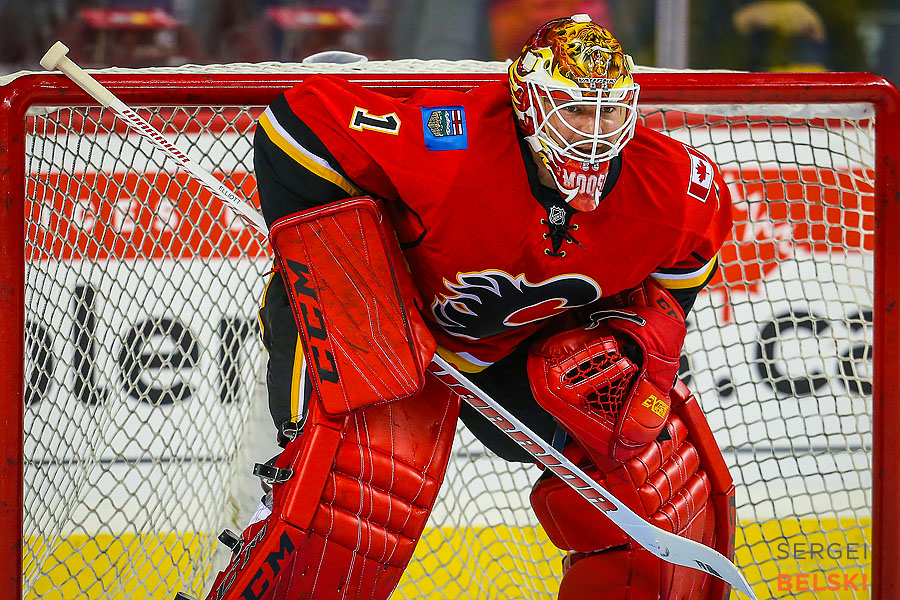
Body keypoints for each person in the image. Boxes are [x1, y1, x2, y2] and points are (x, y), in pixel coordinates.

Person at [200, 14, 737, 600]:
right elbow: (294, 125)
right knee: (342, 486)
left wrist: (639, 334)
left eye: (610, 112)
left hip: (513, 351)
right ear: (529, 103)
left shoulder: (670, 183)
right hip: (383, 321)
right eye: (576, 109)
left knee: (643, 468)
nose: (595, 132)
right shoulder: (446, 137)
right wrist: (354, 276)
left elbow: (689, 259)